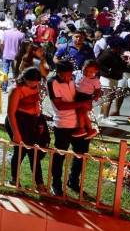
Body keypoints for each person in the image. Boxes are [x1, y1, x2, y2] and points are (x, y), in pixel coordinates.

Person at [48, 60, 88, 195]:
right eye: (64, 75)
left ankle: (73, 180)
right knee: (60, 155)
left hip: (78, 123)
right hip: (62, 124)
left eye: (69, 75)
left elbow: (76, 97)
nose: (67, 78)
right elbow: (60, 105)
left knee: (81, 154)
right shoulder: (52, 82)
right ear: (58, 72)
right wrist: (81, 104)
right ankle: (56, 184)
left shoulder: (73, 79)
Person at [7, 67, 50, 190]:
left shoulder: (36, 86)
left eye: (36, 81)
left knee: (34, 152)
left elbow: (37, 102)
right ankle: (15, 179)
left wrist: (38, 119)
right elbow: (11, 113)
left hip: (32, 120)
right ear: (24, 78)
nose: (33, 84)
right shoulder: (16, 89)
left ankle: (39, 183)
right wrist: (16, 133)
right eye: (31, 81)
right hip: (19, 121)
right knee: (20, 152)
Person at [73, 60, 102, 139]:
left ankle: (82, 129)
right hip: (77, 96)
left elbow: (98, 89)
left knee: (82, 113)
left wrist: (96, 96)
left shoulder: (95, 80)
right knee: (81, 113)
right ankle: (90, 130)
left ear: (96, 71)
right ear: (82, 67)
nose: (87, 73)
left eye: (91, 72)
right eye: (86, 70)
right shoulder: (77, 73)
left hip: (86, 98)